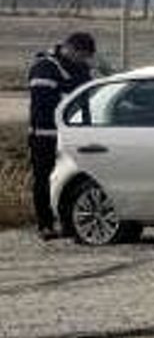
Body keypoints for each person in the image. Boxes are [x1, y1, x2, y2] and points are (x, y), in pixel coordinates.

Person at [28, 32, 96, 239]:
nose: (83, 60)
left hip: (76, 133)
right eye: (82, 55)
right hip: (45, 134)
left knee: (75, 177)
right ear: (70, 48)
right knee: (45, 178)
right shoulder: (44, 67)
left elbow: (87, 98)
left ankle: (69, 223)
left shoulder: (81, 68)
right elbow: (44, 103)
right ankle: (45, 225)